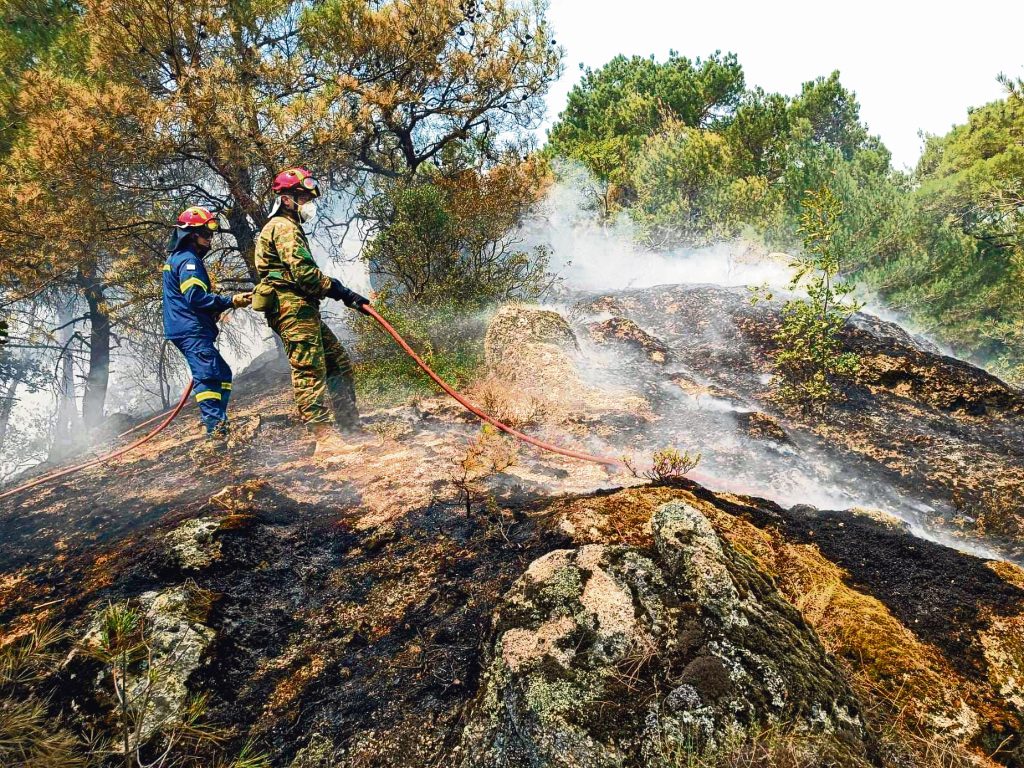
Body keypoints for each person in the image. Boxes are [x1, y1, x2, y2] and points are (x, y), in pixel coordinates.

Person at [252, 167, 370, 456]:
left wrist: (343, 293)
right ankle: (324, 438)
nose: (309, 203)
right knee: (310, 369)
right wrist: (341, 291)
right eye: (303, 196)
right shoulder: (283, 227)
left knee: (337, 362)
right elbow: (305, 274)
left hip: (303, 307)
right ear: (288, 199)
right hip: (291, 308)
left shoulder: (289, 227)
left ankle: (350, 428)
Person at [162, 206, 251, 439]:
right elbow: (195, 296)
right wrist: (230, 301)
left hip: (187, 328)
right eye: (207, 234)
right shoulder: (189, 261)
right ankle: (216, 432)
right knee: (209, 376)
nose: (211, 239)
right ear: (192, 235)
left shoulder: (177, 259)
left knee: (222, 373)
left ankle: (217, 423)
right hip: (191, 330)